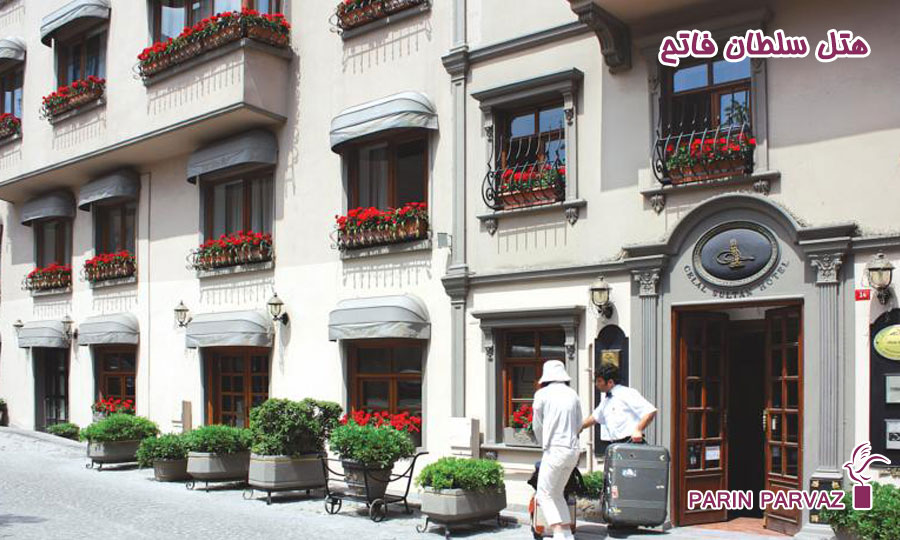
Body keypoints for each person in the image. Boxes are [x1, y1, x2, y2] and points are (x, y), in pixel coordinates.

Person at [532, 360, 582, 540]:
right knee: (557, 493)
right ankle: (567, 533)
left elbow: (537, 425)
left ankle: (558, 533)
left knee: (544, 494)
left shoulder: (542, 394)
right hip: (573, 450)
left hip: (554, 449)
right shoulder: (572, 394)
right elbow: (579, 424)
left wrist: (543, 443)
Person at [580, 363, 657, 444]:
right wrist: (579, 427)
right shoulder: (606, 401)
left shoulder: (627, 393)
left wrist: (638, 430)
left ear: (610, 382)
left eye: (599, 381)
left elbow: (650, 411)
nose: (596, 384)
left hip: (631, 442)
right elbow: (594, 418)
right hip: (616, 444)